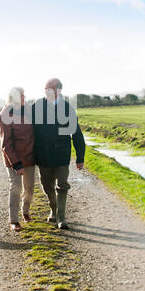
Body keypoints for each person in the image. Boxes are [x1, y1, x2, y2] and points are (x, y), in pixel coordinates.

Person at [32, 78, 85, 229]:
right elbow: (28, 129)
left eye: (48, 89)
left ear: (58, 91)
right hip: (43, 155)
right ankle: (53, 209)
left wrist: (80, 157)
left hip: (61, 154)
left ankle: (61, 217)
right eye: (45, 89)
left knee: (62, 184)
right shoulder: (37, 106)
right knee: (46, 186)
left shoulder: (67, 108)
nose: (45, 91)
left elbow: (77, 134)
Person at [0, 87, 35, 232]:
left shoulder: (27, 109)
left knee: (30, 188)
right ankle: (14, 220)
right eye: (21, 96)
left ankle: (25, 210)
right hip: (13, 159)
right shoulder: (5, 114)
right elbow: (6, 143)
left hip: (30, 156)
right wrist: (17, 163)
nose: (24, 97)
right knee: (15, 188)